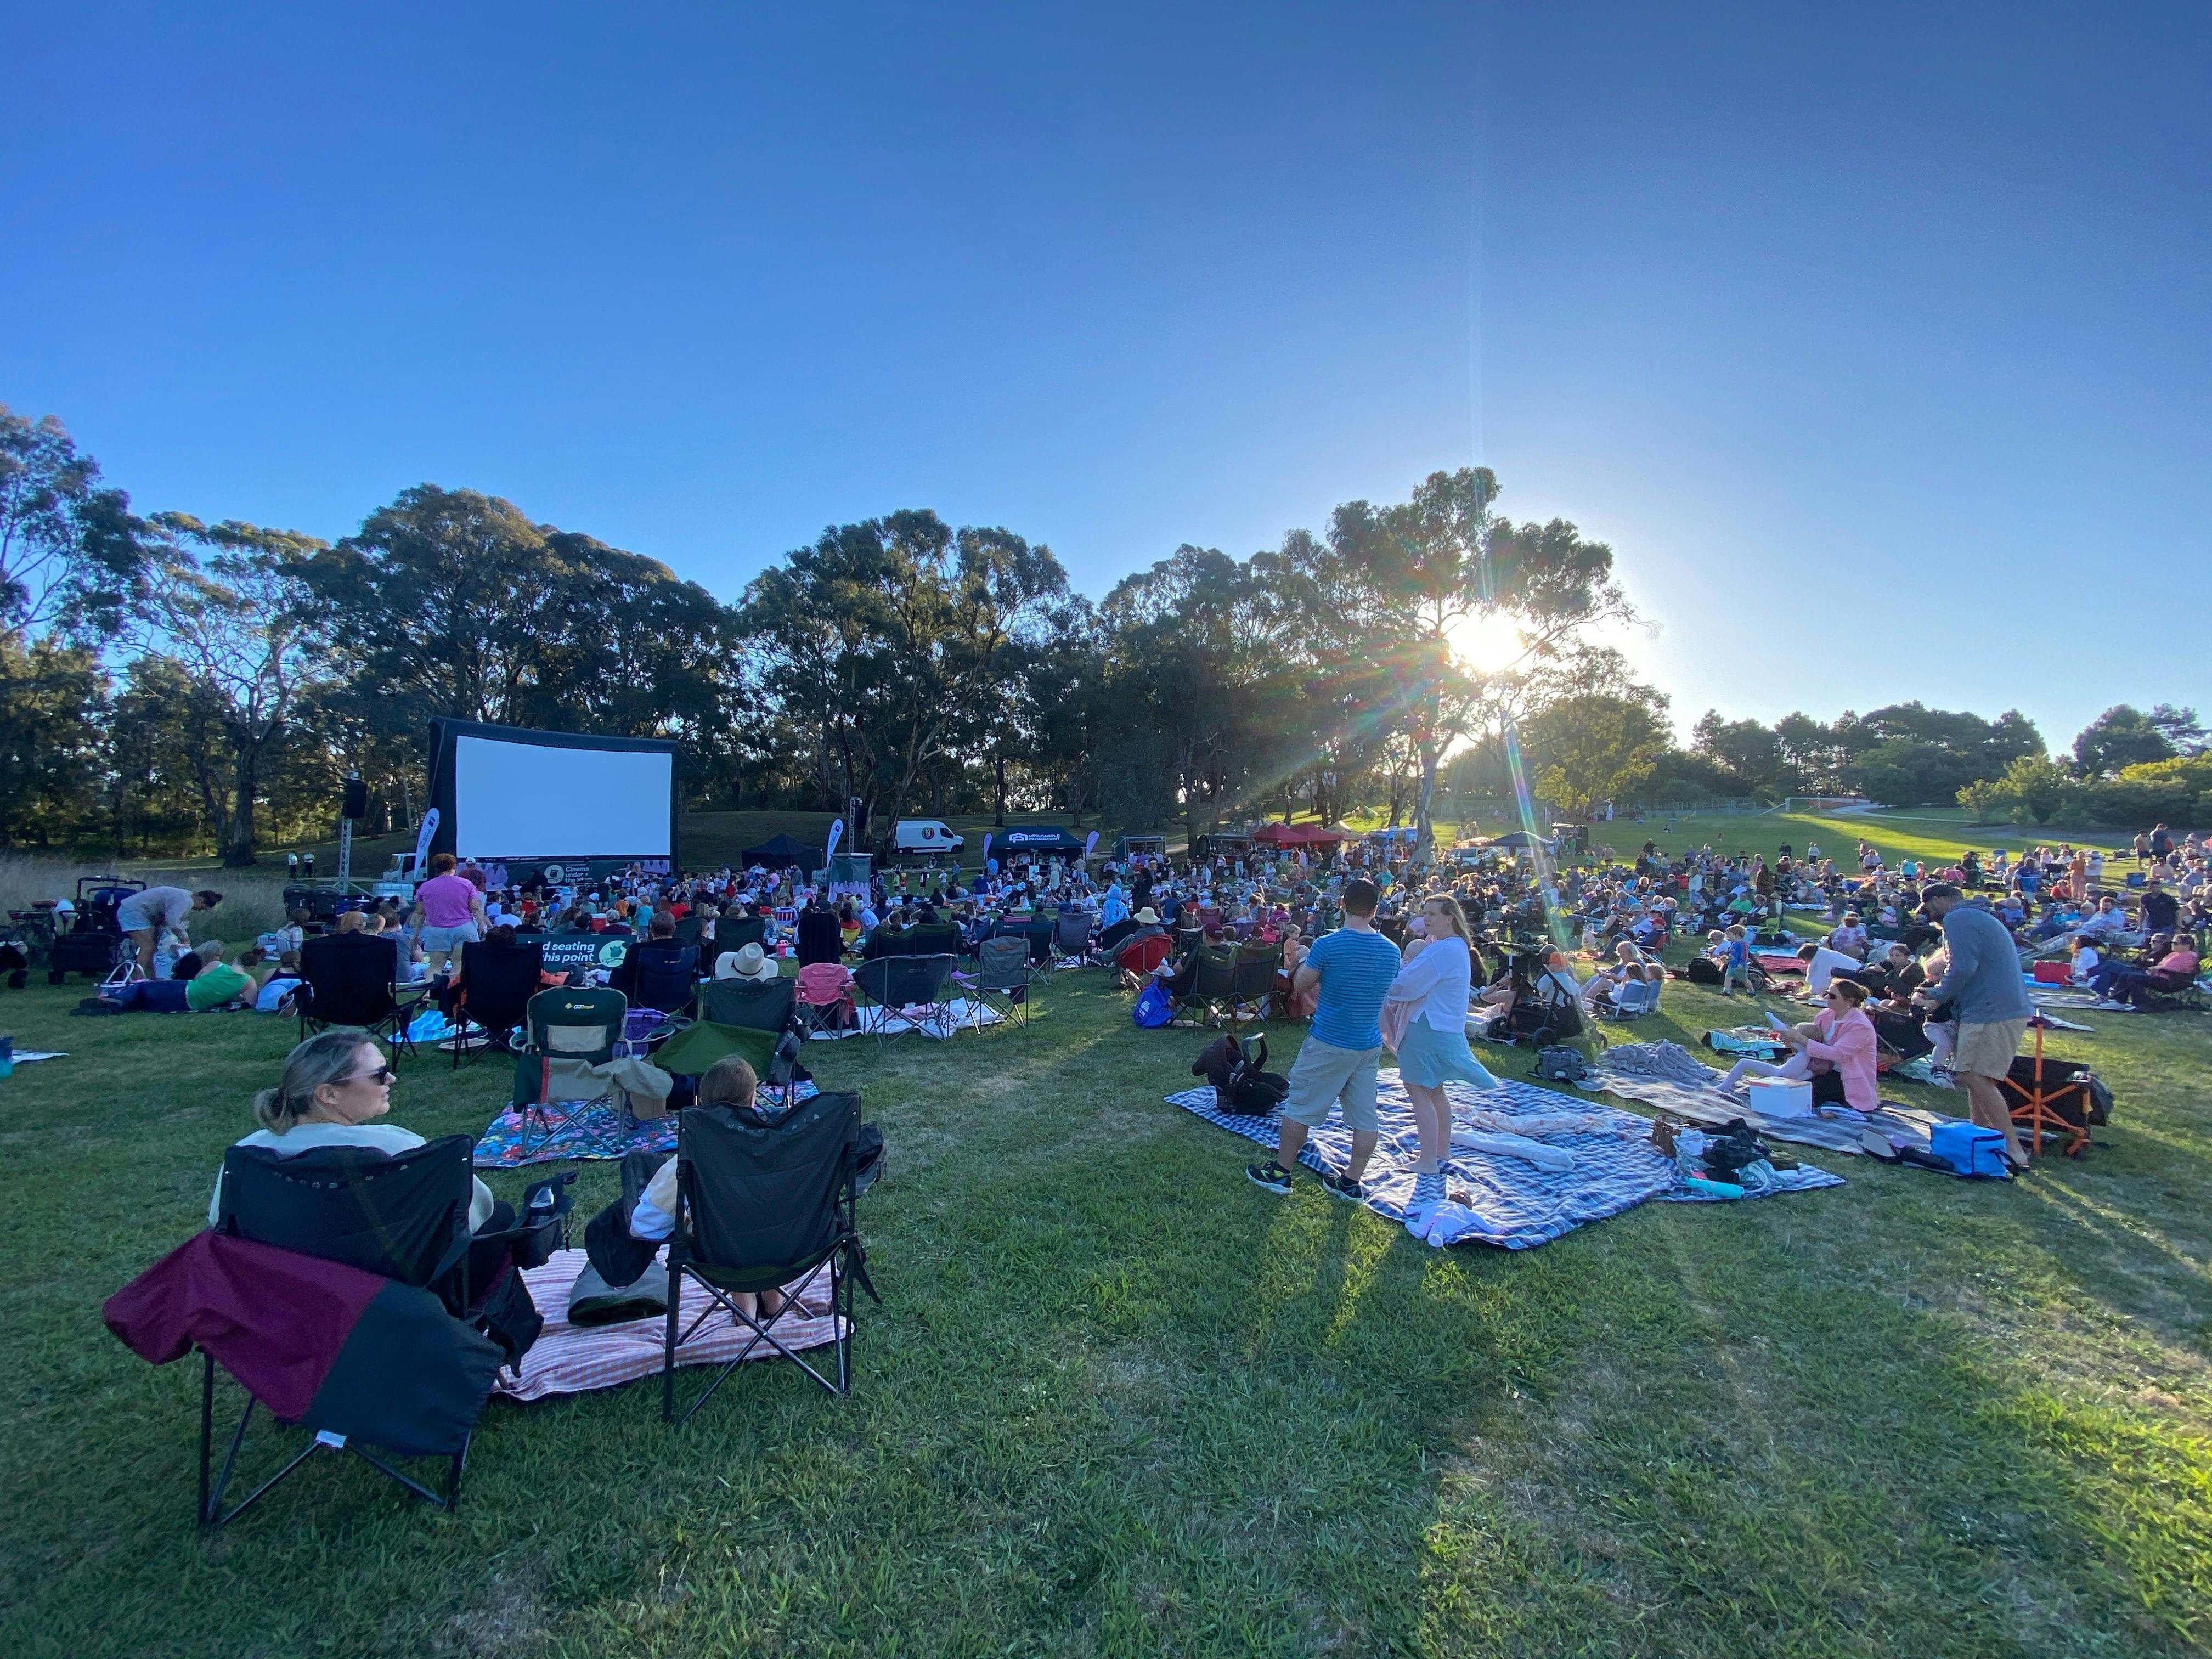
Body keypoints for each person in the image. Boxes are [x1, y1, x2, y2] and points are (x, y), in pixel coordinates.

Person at [207, 1028, 499, 1232]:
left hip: (285, 1292)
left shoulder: (248, 1154)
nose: (392, 1079)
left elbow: (221, 1222)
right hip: (389, 1290)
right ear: (328, 1094)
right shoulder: (395, 1146)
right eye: (379, 1075)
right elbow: (475, 1211)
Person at [1245, 879, 1400, 1200]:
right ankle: (1350, 1181)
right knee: (1365, 1116)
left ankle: (1281, 1172)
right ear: (1374, 911)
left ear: (1342, 904)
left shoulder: (1329, 945)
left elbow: (1301, 986)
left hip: (1330, 1038)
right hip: (1368, 1043)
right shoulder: (1391, 950)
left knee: (1300, 1106)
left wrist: (1301, 960)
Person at [1380, 894, 1499, 1209]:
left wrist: (1383, 984)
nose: (1426, 918)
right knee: (1434, 1091)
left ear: (1450, 917)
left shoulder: (1444, 949)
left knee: (1419, 1091)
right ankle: (1440, 1151)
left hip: (1426, 1027)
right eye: (1425, 913)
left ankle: (1428, 1160)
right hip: (1441, 1026)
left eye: (1432, 913)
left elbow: (1408, 986)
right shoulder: (1455, 946)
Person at [1914, 884, 2031, 1170]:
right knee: (1974, 1075)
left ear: (1939, 900)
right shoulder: (1978, 916)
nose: (1929, 917)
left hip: (1991, 1010)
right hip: (1994, 1008)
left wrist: (1937, 994)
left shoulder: (1958, 918)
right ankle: (1977, 1138)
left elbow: (1963, 967)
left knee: (1971, 1073)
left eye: (1929, 910)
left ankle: (2013, 1149)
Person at [411, 851, 489, 978]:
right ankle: (454, 994)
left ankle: (428, 995)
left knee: (435, 967)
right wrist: (482, 925)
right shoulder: (466, 884)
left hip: (436, 930)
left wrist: (416, 934)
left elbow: (420, 913)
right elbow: (476, 908)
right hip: (464, 928)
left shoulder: (425, 887)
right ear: (454, 867)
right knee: (458, 964)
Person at [116, 885, 222, 975]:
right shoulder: (186, 901)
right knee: (147, 947)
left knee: (153, 949)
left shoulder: (184, 895)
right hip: (134, 913)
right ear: (201, 900)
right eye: (202, 907)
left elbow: (166, 917)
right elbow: (174, 924)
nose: (199, 910)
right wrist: (185, 939)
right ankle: (137, 979)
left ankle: (151, 977)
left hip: (141, 914)